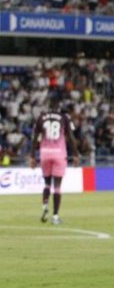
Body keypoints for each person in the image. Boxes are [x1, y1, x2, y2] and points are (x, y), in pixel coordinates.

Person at [29, 95, 80, 225]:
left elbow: (35, 138)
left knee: (47, 183)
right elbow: (71, 137)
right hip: (59, 154)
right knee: (57, 186)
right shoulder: (64, 118)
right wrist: (76, 155)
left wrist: (32, 157)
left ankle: (45, 206)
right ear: (59, 107)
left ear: (49, 106)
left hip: (45, 153)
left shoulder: (41, 118)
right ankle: (55, 217)